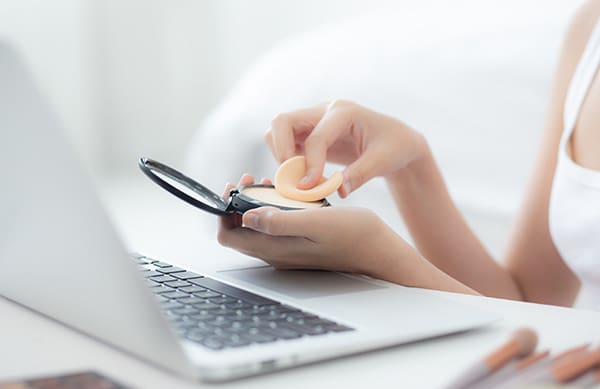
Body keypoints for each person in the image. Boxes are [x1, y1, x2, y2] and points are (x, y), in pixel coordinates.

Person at [217, 0, 600, 307]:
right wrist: (412, 167)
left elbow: (542, 341)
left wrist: (377, 257)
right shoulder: (588, 31)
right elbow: (529, 306)